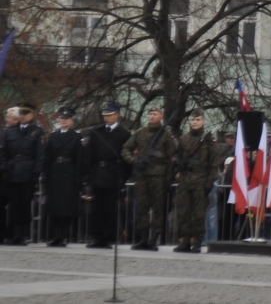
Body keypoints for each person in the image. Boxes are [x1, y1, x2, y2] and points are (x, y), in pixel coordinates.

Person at [121, 105, 177, 250]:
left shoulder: (165, 134)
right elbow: (126, 149)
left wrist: (169, 178)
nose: (152, 116)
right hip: (142, 175)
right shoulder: (140, 132)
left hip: (158, 176)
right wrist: (134, 161)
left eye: (155, 114)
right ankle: (143, 238)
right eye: (150, 114)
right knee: (142, 207)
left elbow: (172, 157)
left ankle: (154, 239)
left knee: (158, 208)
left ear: (161, 117)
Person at [84, 103, 131, 248]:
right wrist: (88, 175)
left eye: (109, 115)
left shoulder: (124, 134)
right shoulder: (96, 132)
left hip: (113, 174)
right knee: (96, 208)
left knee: (111, 209)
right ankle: (96, 237)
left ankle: (109, 237)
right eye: (104, 116)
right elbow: (89, 154)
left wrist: (122, 178)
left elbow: (125, 159)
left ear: (117, 115)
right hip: (98, 173)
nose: (106, 118)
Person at [173, 109, 219, 253]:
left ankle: (197, 243)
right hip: (186, 179)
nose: (195, 122)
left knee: (199, 214)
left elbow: (214, 163)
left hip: (201, 180)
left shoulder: (208, 140)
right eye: (193, 120)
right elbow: (176, 156)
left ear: (203, 121)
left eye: (198, 120)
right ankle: (185, 241)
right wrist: (177, 163)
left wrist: (209, 183)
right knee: (183, 212)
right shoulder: (184, 139)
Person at [0, 102, 45, 245]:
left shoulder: (37, 132)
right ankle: (13, 234)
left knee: (25, 205)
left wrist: (35, 173)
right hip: (12, 172)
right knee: (13, 205)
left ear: (32, 115)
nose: (23, 116)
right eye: (21, 113)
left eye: (26, 114)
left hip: (27, 172)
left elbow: (40, 155)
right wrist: (5, 167)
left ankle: (23, 234)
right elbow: (3, 152)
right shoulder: (10, 132)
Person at [43, 105, 84, 246]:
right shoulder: (53, 136)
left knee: (67, 207)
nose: (63, 121)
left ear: (71, 120)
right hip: (55, 174)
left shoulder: (76, 137)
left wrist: (78, 178)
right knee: (54, 207)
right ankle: (55, 235)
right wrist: (45, 174)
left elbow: (79, 159)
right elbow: (47, 157)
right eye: (62, 118)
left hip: (69, 174)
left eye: (66, 119)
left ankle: (63, 234)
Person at [0, 107, 19, 243]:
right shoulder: (4, 132)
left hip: (15, 173)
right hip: (3, 174)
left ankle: (13, 234)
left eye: (9, 117)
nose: (6, 119)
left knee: (14, 205)